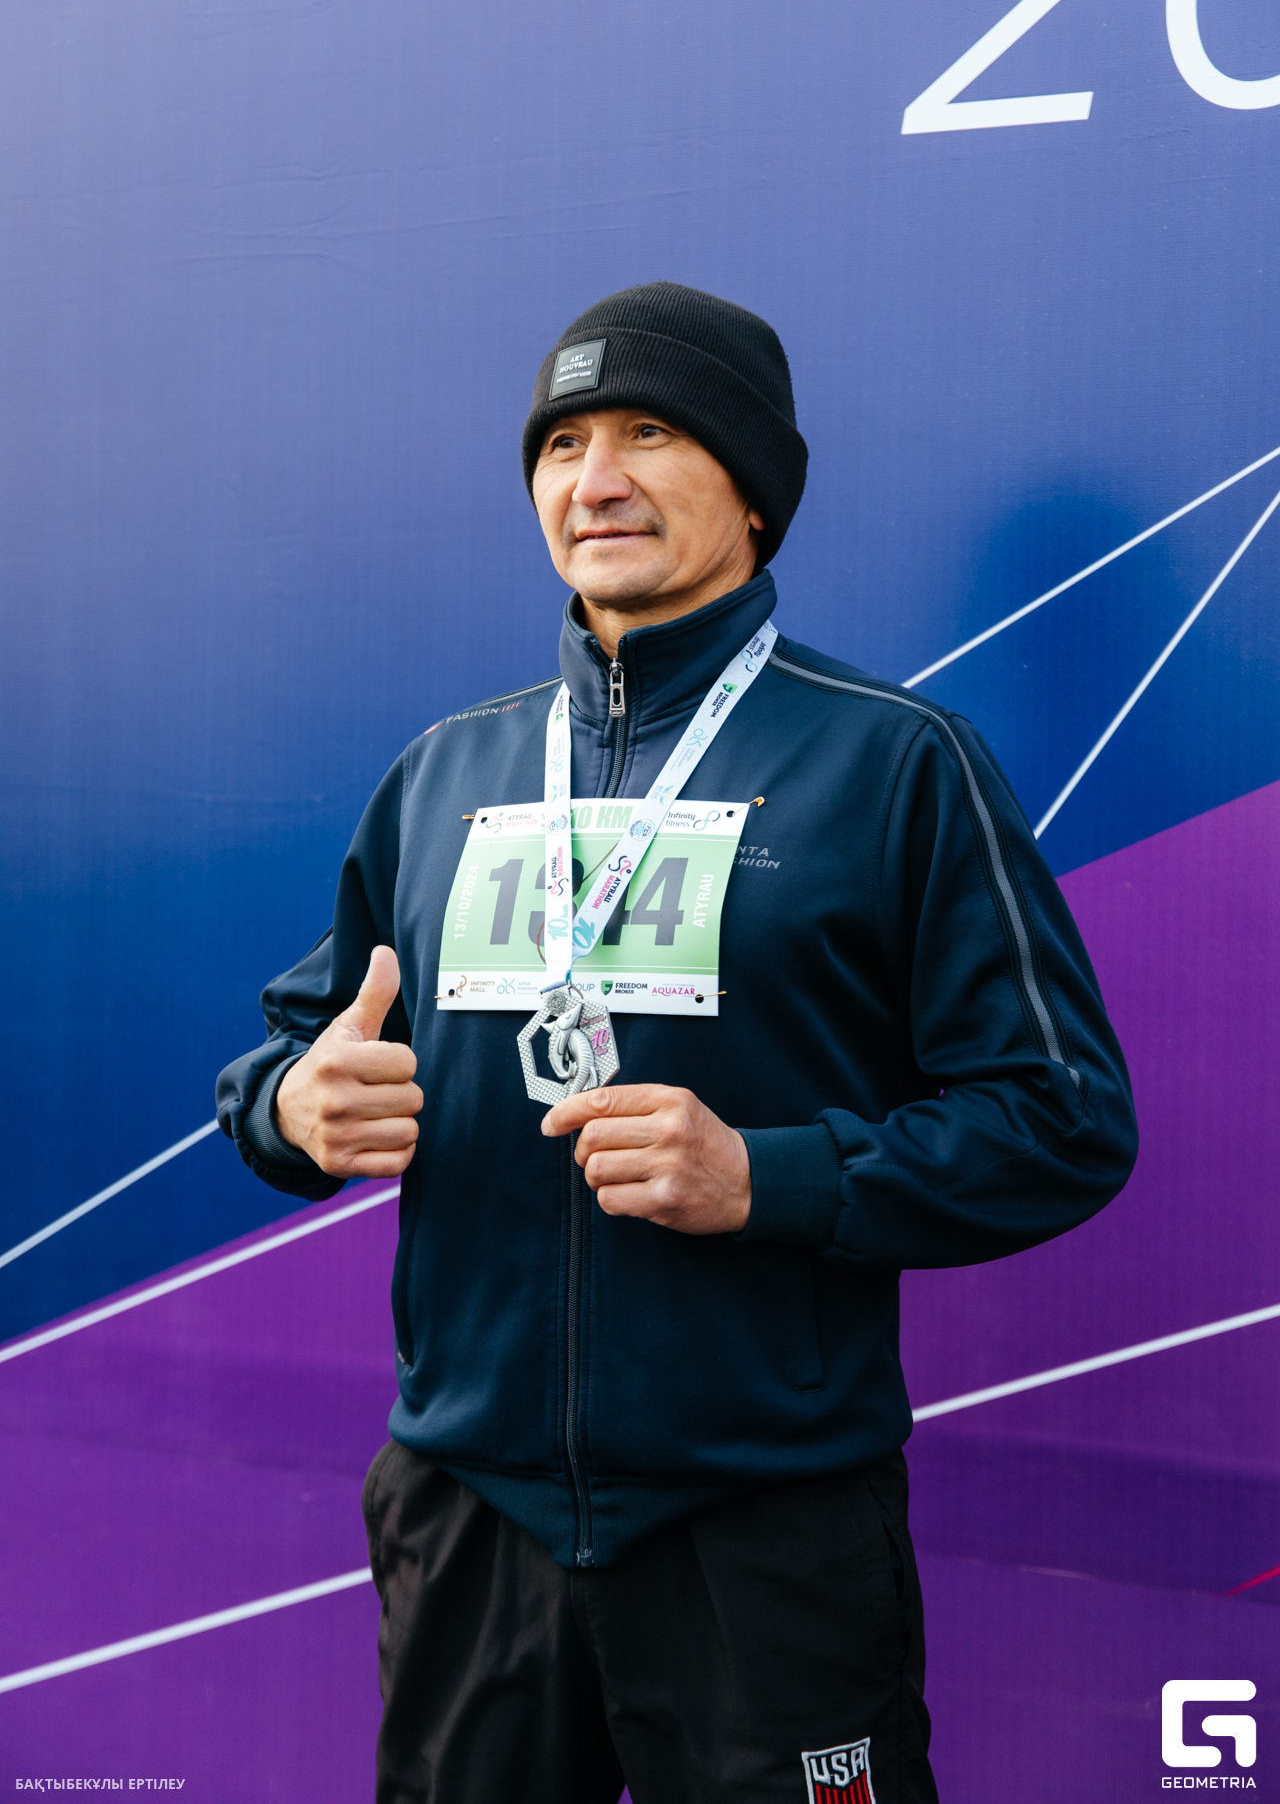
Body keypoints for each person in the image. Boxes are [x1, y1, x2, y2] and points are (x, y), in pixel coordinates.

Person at [217, 281, 1138, 1804]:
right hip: (472, 1522)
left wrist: (768, 1178)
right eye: (561, 444)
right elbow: (291, 1049)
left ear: (755, 489)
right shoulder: (448, 774)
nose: (595, 480)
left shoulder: (897, 764)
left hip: (765, 1535)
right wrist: (292, 1106)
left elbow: (1061, 1118)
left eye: (648, 431)